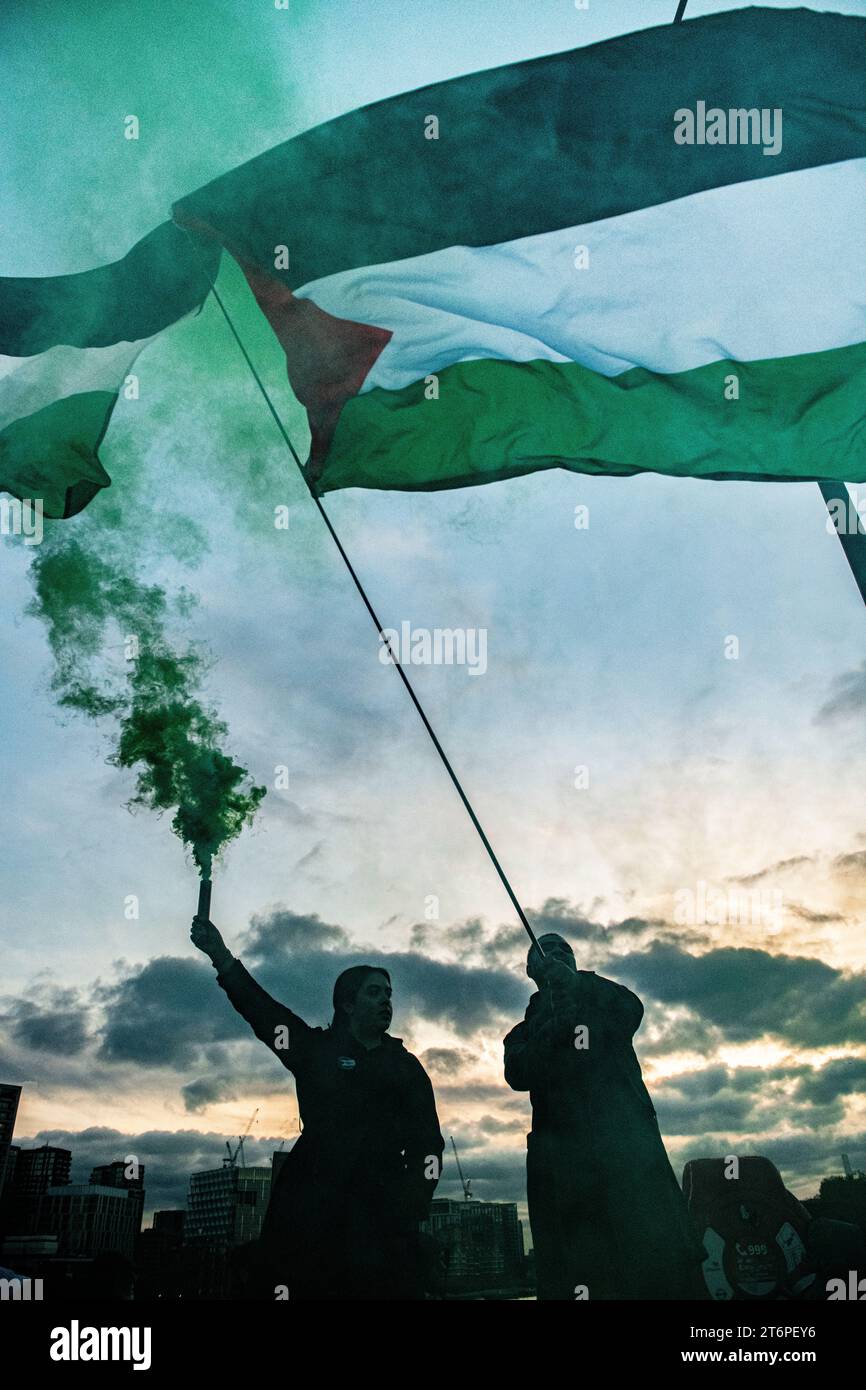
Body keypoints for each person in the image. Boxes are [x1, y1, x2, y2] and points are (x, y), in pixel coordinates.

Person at [191, 913, 444, 1300]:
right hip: (311, 1209)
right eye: (374, 992)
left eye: (389, 994)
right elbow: (264, 1013)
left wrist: (413, 1202)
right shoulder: (315, 1053)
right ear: (347, 1003)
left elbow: (430, 1145)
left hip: (381, 1216)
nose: (386, 1001)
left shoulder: (406, 1067)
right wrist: (222, 958)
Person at [503, 932, 705, 1300]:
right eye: (546, 951)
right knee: (583, 1270)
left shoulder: (605, 1005)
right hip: (566, 1176)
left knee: (661, 1266)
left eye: (566, 950)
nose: (558, 954)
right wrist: (553, 1024)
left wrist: (579, 986)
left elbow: (632, 1008)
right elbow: (518, 1073)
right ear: (531, 969)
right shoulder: (521, 1033)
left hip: (631, 1160)